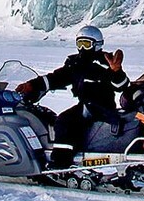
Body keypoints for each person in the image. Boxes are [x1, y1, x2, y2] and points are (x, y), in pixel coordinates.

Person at [14, 25, 129, 170]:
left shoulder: (107, 62)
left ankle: (61, 163)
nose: (82, 48)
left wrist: (116, 72)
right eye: (79, 43)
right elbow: (58, 77)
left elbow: (121, 86)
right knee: (61, 118)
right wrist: (32, 85)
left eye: (86, 44)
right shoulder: (76, 63)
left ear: (97, 44)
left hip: (102, 107)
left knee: (64, 121)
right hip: (85, 105)